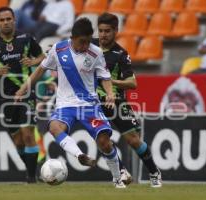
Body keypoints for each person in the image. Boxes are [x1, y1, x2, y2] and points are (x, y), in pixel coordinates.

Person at [15, 18, 127, 188]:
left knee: (104, 141)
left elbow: (105, 77)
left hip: (89, 105)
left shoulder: (96, 52)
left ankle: (117, 177)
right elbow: (40, 69)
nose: (85, 46)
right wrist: (23, 88)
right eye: (82, 42)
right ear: (73, 38)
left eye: (88, 42)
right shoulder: (58, 49)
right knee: (54, 127)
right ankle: (80, 155)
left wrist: (110, 93)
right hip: (65, 105)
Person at [92, 13, 162, 188]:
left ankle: (154, 171)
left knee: (133, 140)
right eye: (100, 31)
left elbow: (132, 83)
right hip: (95, 103)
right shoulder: (89, 47)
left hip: (115, 101)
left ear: (116, 31)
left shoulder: (121, 54)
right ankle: (121, 173)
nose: (103, 35)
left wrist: (109, 81)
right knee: (102, 140)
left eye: (107, 31)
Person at [0, 7, 45, 183]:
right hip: (5, 97)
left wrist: (33, 61)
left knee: (28, 134)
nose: (6, 22)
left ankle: (31, 179)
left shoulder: (26, 38)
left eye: (9, 19)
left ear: (14, 19)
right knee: (18, 141)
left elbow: (42, 57)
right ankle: (33, 170)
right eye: (2, 20)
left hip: (26, 93)